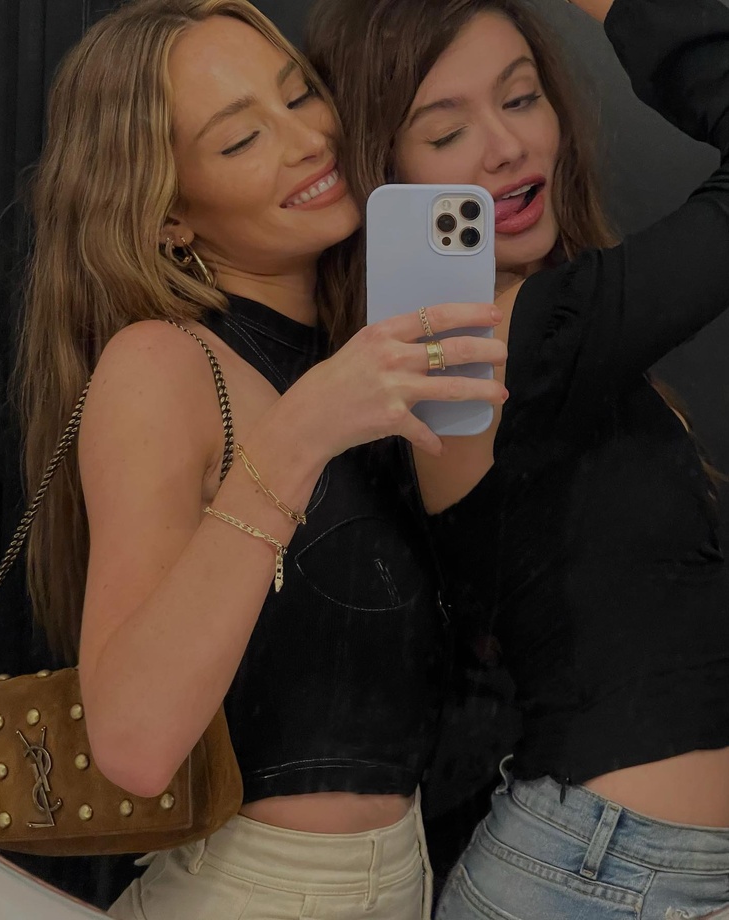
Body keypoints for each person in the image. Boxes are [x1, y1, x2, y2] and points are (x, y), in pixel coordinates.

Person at [16, 0, 511, 917]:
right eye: (242, 139)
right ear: (169, 214)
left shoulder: (361, 348)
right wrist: (298, 434)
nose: (308, 141)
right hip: (258, 889)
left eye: (300, 95)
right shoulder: (163, 363)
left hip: (411, 876)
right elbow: (131, 743)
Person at [306, 0, 729, 916]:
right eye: (446, 130)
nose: (505, 147)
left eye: (522, 98)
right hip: (600, 879)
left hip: (620, 872)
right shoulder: (484, 353)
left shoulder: (518, 340)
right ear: (386, 175)